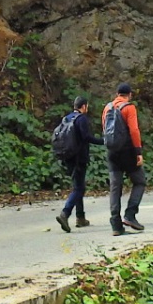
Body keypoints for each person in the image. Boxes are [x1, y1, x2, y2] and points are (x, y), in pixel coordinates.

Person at [54, 96, 102, 233]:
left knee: (78, 186)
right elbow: (86, 137)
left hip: (67, 157)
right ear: (84, 106)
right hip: (79, 158)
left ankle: (80, 218)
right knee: (79, 189)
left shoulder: (67, 118)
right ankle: (65, 213)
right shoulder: (82, 119)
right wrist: (103, 141)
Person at [103, 82, 145, 235]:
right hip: (127, 151)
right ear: (129, 95)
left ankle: (116, 225)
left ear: (117, 94)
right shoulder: (129, 108)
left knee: (115, 188)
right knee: (140, 181)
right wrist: (138, 151)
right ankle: (130, 214)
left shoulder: (107, 108)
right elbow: (134, 130)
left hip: (112, 152)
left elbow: (104, 129)